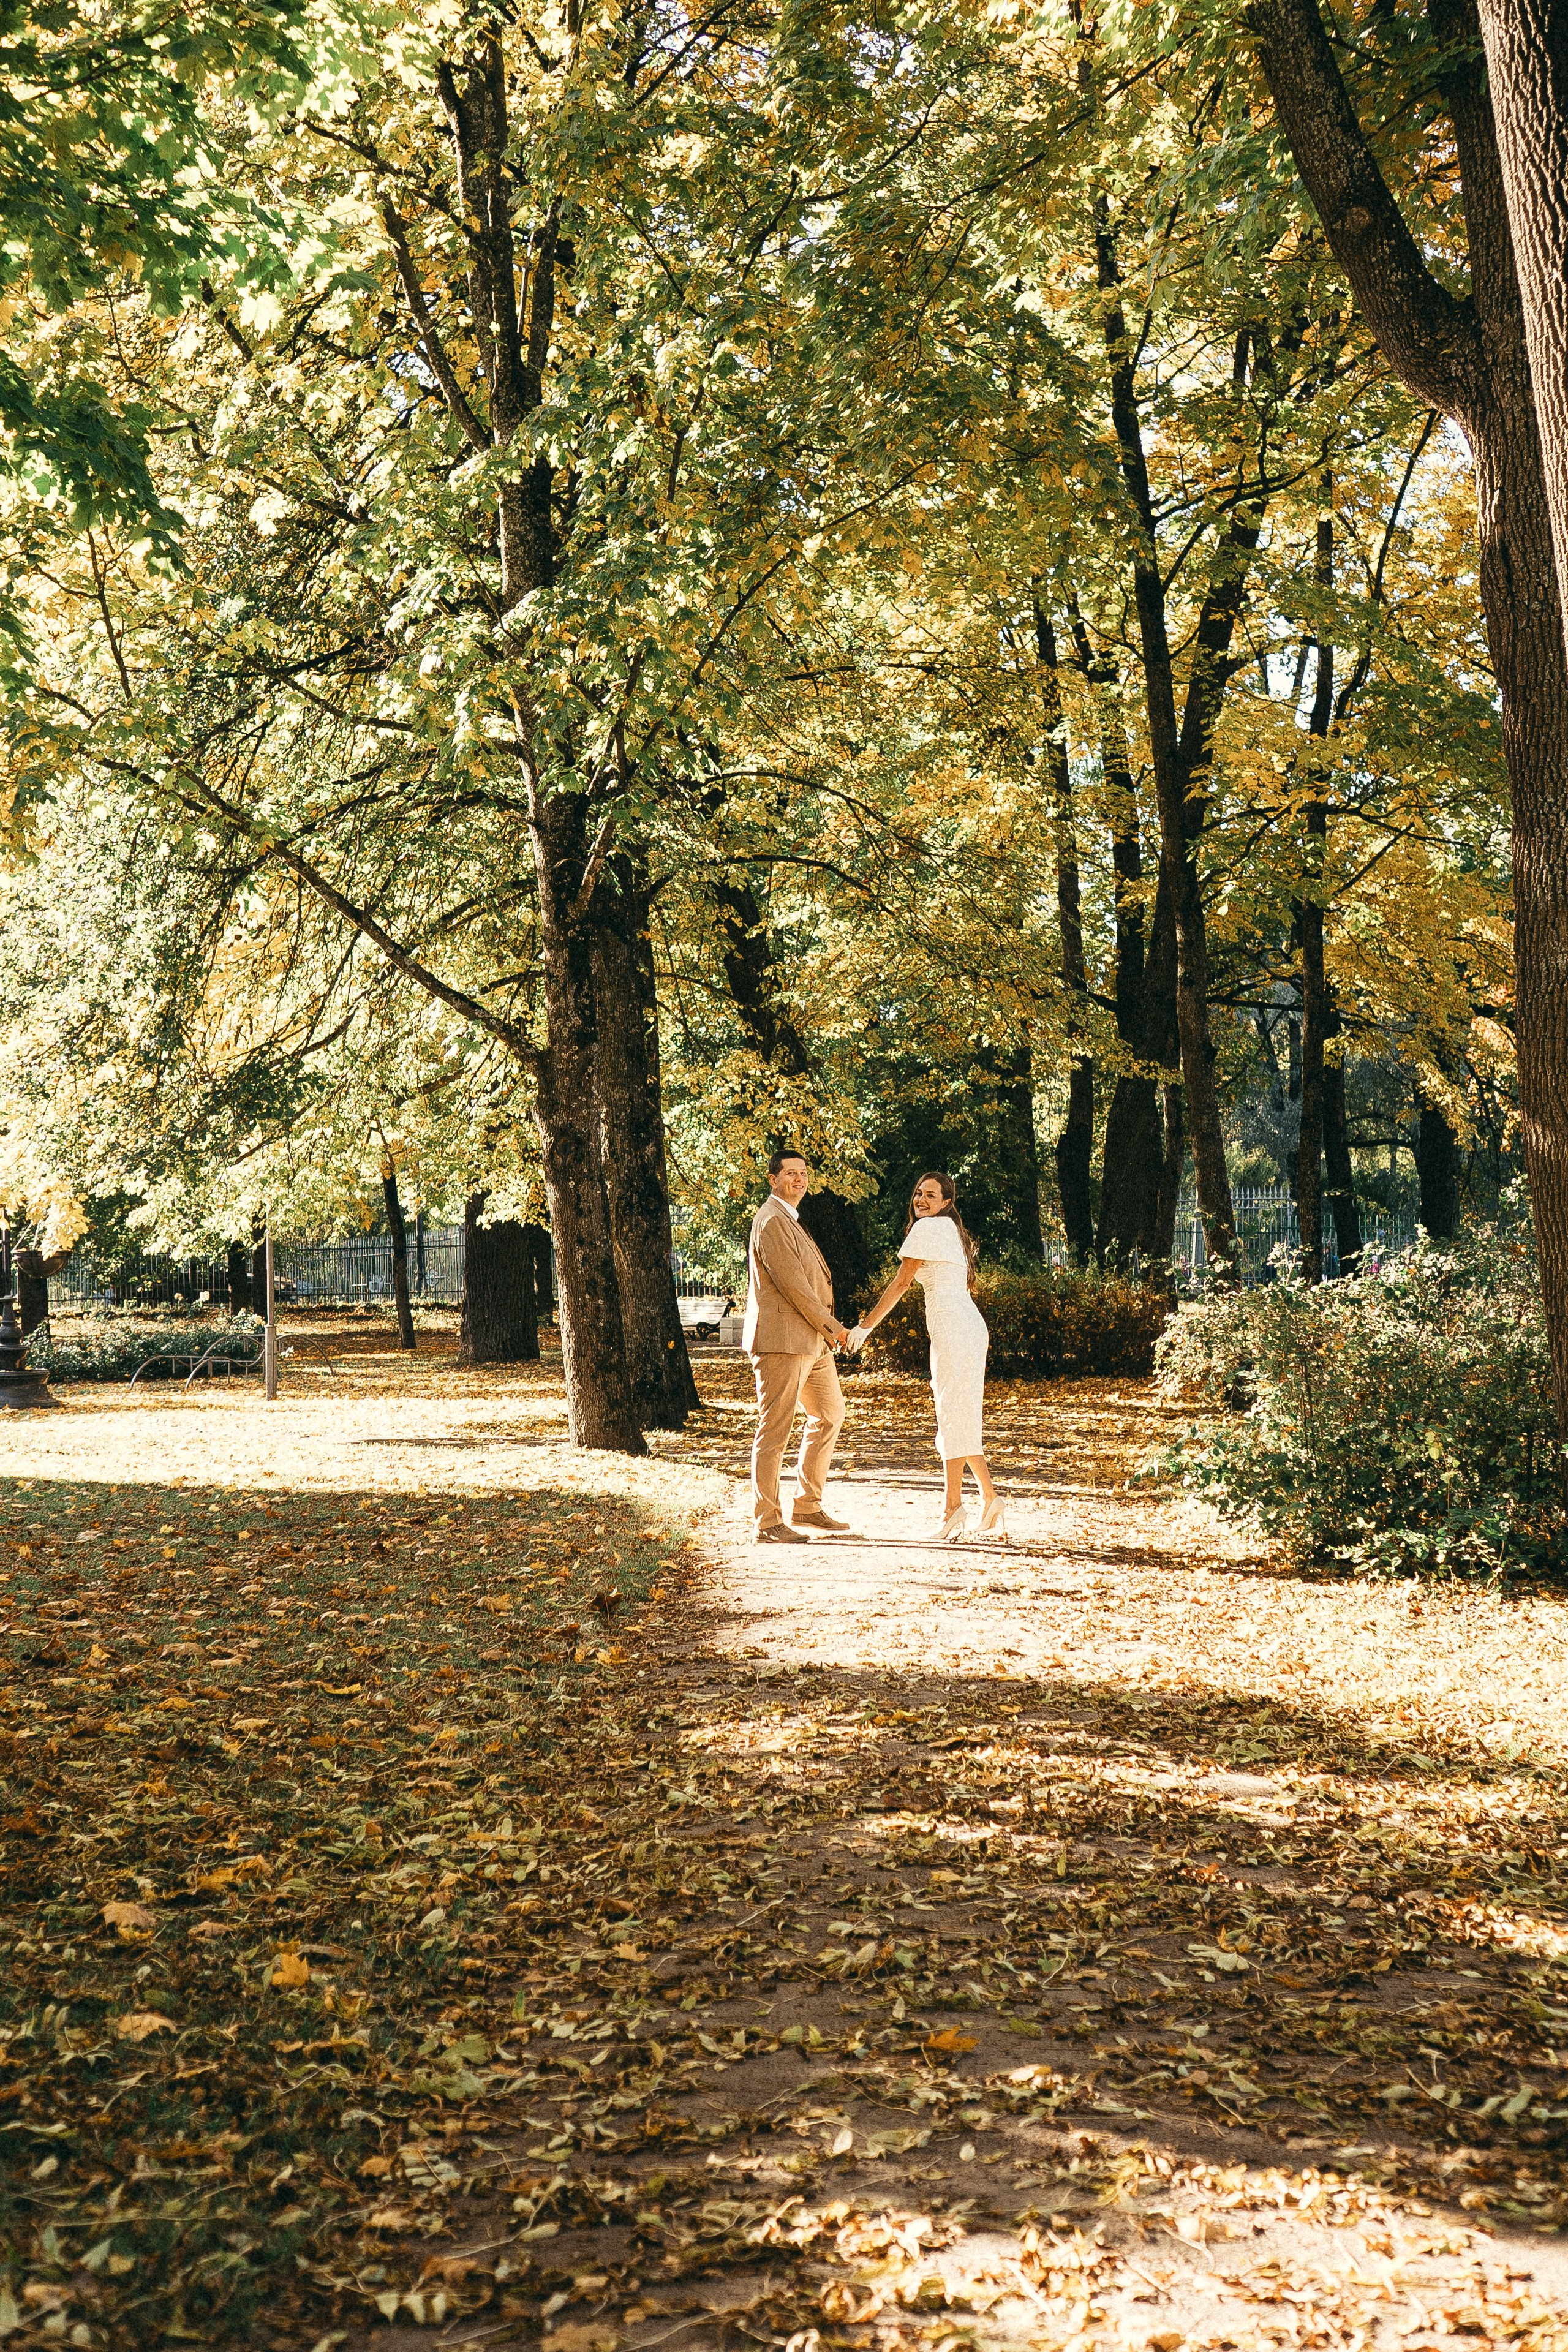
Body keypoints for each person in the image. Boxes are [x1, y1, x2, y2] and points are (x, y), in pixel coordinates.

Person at [848, 1170, 1006, 1542]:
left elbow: (902, 1282)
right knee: (960, 1414)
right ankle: (990, 1497)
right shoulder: (950, 1230)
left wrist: (864, 1328)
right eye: (918, 1194)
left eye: (931, 1196)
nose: (921, 1201)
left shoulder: (929, 1229)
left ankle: (953, 1509)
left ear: (946, 1203)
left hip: (955, 1328)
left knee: (953, 1414)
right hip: (968, 1326)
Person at [743, 1149, 851, 1544]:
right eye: (790, 1173)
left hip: (811, 1342)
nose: (799, 1179)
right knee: (775, 1428)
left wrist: (824, 1334)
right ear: (773, 1180)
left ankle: (807, 1505)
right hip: (782, 1341)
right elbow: (795, 1288)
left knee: (829, 1414)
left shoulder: (790, 1218)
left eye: (804, 1173)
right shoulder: (771, 1220)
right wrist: (835, 1328)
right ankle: (767, 1521)